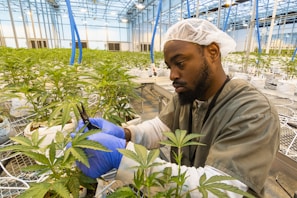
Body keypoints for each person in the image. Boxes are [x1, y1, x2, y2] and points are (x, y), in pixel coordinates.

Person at [74, 18, 280, 197]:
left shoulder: (254, 111)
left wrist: (123, 157)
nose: (172, 75)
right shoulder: (188, 96)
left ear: (213, 52)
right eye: (169, 66)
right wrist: (124, 133)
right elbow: (160, 129)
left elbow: (222, 190)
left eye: (180, 63)